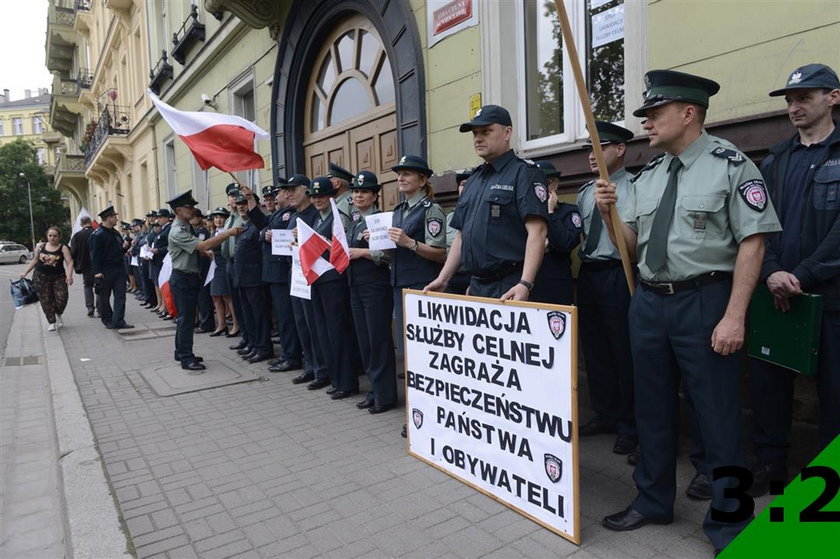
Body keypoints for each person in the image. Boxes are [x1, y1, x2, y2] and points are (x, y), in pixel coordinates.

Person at [594, 70, 782, 554]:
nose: (647, 124)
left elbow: (753, 243)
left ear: (688, 113)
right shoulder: (650, 176)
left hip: (706, 302)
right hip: (651, 302)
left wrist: (736, 315)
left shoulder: (730, 165)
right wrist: (610, 216)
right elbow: (630, 249)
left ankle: (733, 523)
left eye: (654, 114)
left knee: (718, 417)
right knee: (652, 410)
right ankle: (653, 499)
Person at [748, 63, 840, 496]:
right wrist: (772, 273)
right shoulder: (776, 160)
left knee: (834, 396)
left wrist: (799, 274)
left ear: (833, 98)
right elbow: (758, 227)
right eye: (789, 100)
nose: (793, 106)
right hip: (777, 295)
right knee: (768, 387)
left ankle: (828, 485)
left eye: (804, 97)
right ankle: (771, 467)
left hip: (831, 298)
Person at [425, 105, 548, 300]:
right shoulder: (474, 178)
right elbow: (461, 235)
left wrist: (525, 284)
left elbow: (538, 232)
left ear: (507, 133)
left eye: (486, 131)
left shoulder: (524, 173)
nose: (478, 138)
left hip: (510, 285)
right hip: (476, 285)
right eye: (475, 133)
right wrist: (444, 277)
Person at [575, 121, 638, 457]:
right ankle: (605, 412)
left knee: (622, 351)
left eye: (599, 147)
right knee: (595, 350)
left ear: (620, 149)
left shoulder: (635, 187)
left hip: (619, 272)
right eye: (588, 148)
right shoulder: (585, 192)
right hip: (589, 274)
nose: (591, 155)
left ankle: (630, 423)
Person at [166, 190, 242, 371]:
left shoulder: (185, 226)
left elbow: (194, 248)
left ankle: (181, 351)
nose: (193, 209)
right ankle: (186, 357)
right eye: (189, 207)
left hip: (187, 277)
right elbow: (201, 244)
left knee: (185, 317)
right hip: (183, 278)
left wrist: (202, 252)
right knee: (187, 319)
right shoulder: (178, 230)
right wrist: (228, 233)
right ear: (178, 210)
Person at [347, 171, 398, 413]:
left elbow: (388, 255)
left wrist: (363, 252)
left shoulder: (381, 219)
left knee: (378, 341)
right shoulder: (356, 220)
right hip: (356, 285)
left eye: (364, 191)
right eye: (356, 191)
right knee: (364, 341)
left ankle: (386, 396)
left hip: (375, 286)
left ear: (374, 195)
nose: (358, 195)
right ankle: (374, 390)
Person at [388, 155, 447, 360]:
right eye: (399, 175)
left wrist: (409, 242)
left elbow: (440, 253)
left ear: (422, 180)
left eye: (407, 174)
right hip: (399, 282)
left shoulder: (431, 210)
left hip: (421, 283)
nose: (400, 178)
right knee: (405, 346)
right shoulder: (398, 211)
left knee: (423, 346)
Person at [307, 176, 358, 398]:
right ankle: (336, 379)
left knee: (339, 332)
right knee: (325, 332)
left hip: (335, 281)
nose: (317, 200)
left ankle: (347, 382)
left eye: (321, 195)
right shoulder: (318, 221)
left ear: (331, 196)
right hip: (319, 281)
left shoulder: (339, 218)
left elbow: (343, 248)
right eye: (314, 196)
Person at [263, 181, 303, 373]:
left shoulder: (292, 214)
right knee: (284, 317)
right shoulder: (281, 213)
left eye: (288, 190)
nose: (283, 195)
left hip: (288, 269)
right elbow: (264, 228)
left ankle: (292, 356)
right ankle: (289, 355)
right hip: (284, 270)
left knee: (289, 318)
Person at [232, 187, 274, 363]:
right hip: (243, 278)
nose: (241, 207)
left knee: (259, 315)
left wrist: (251, 200)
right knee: (248, 315)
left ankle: (264, 347)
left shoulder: (257, 224)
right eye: (239, 204)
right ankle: (254, 344)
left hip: (255, 278)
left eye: (245, 203)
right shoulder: (244, 225)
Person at [531, 160, 581, 304]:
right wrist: (542, 245)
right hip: (527, 285)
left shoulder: (569, 212)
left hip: (554, 288)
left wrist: (550, 213)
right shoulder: (526, 213)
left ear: (553, 183)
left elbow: (565, 243)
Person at [20, 227, 74, 331]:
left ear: (59, 237)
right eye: (50, 236)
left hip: (58, 277)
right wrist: (25, 272)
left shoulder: (63, 248)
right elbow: (35, 260)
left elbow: (70, 261)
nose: (52, 238)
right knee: (46, 300)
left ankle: (58, 313)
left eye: (55, 236)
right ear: (47, 236)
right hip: (41, 277)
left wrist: (69, 275)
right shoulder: (40, 247)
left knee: (62, 298)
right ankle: (52, 322)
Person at [89, 205, 134, 329]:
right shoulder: (98, 235)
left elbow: (119, 250)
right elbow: (94, 255)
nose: (116, 220)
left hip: (119, 268)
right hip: (105, 270)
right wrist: (97, 272)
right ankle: (108, 319)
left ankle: (118, 320)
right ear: (108, 218)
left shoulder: (115, 233)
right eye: (114, 217)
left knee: (120, 296)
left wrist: (124, 248)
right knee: (104, 297)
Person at [208, 207, 238, 337]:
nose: (218, 220)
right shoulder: (213, 232)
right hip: (214, 265)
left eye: (221, 217)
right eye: (216, 217)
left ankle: (236, 324)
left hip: (223, 263)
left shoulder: (226, 232)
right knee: (215, 296)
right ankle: (221, 324)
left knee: (227, 296)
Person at [190, 208, 215, 334]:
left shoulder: (202, 232)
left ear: (200, 218)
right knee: (200, 296)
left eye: (194, 216)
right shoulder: (194, 231)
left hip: (203, 266)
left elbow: (202, 247)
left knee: (203, 296)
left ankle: (206, 323)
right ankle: (202, 321)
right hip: (198, 267)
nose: (192, 219)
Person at [70, 216, 97, 316]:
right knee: (99, 286)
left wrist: (76, 264)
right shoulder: (96, 232)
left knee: (88, 286)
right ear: (90, 222)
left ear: (81, 224)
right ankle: (100, 308)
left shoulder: (77, 236)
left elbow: (73, 252)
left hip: (85, 266)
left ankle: (90, 307)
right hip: (98, 265)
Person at [151, 209, 173, 319]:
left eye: (160, 217)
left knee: (166, 285)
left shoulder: (169, 229)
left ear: (166, 217)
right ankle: (165, 307)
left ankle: (168, 309)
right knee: (161, 285)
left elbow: (170, 246)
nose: (158, 219)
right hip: (159, 261)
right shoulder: (163, 229)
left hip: (165, 261)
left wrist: (158, 251)